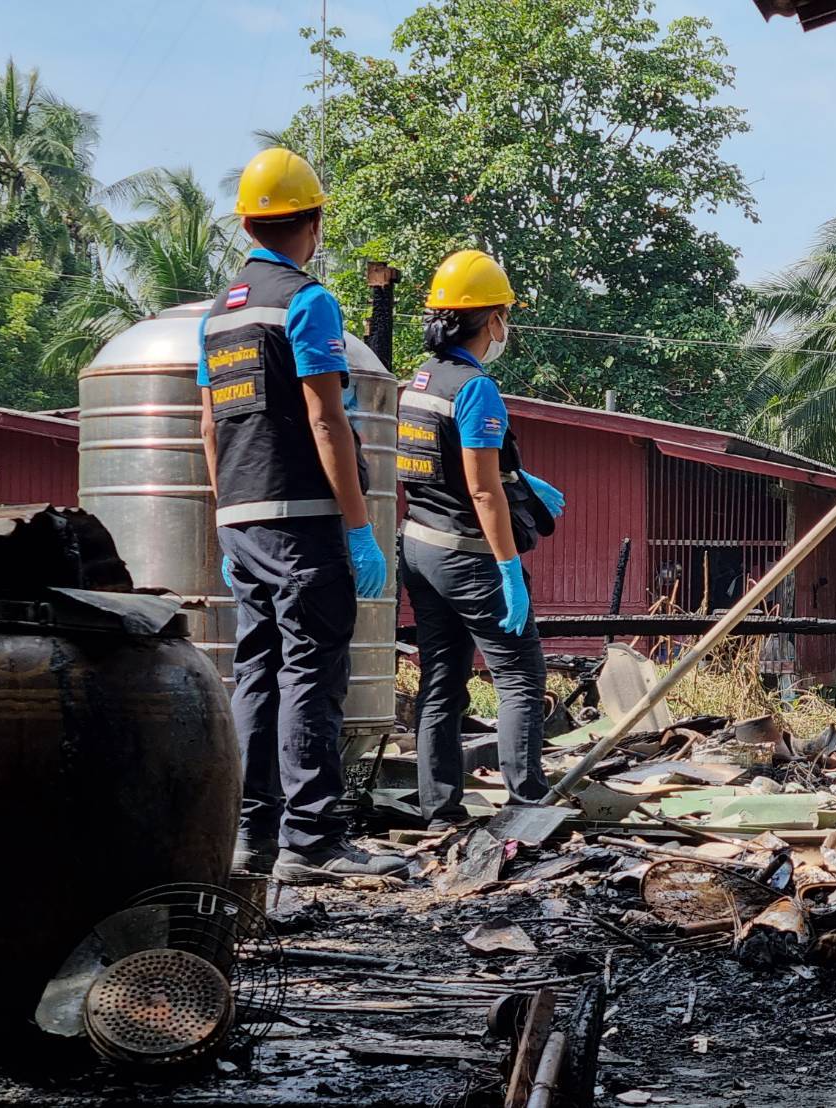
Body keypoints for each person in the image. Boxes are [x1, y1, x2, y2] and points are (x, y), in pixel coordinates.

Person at [199, 147, 407, 884]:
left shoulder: (218, 316)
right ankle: (313, 838)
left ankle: (252, 836)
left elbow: (208, 425)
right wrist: (358, 526)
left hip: (243, 519)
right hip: (303, 517)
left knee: (256, 673)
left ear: (249, 224)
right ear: (313, 224)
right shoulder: (306, 301)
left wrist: (226, 519)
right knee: (312, 672)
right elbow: (326, 420)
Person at [397, 250, 565, 827]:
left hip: (417, 546)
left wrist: (515, 473)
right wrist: (509, 568)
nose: (504, 328)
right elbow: (482, 490)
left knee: (441, 678)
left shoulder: (417, 382)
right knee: (520, 675)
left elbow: (433, 464)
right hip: (466, 555)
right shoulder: (475, 388)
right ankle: (527, 802)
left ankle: (438, 809)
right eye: (504, 316)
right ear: (490, 320)